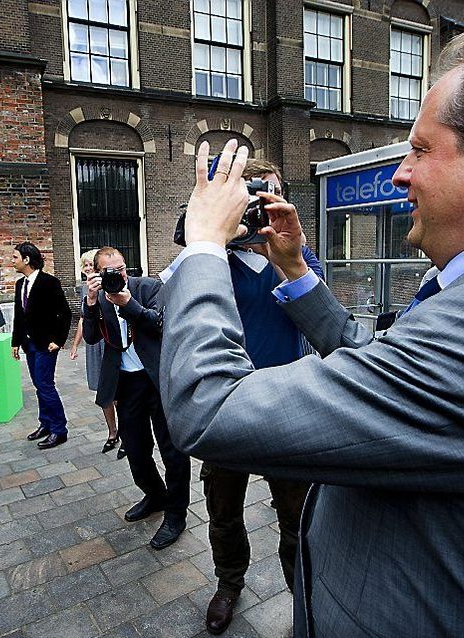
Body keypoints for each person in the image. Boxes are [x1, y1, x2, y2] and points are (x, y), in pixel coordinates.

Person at [159, 18, 464, 638]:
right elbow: (381, 362)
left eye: (422, 149)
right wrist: (295, 269)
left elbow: (208, 408)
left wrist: (204, 244)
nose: (401, 174)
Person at [173, 158, 325, 634]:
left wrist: (285, 257)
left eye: (270, 194)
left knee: (296, 517)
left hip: (286, 405)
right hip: (228, 407)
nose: (261, 205)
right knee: (223, 508)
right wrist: (216, 235)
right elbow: (186, 240)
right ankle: (229, 582)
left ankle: (301, 592)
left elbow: (319, 315)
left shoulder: (295, 257)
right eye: (251, 194)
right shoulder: (209, 263)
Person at [82, 246, 191, 549]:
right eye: (110, 272)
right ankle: (155, 495)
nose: (118, 276)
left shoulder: (149, 287)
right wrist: (91, 302)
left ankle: (176, 513)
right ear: (97, 273)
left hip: (157, 379)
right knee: (135, 448)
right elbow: (91, 337)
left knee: (172, 450)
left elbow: (160, 324)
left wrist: (128, 304)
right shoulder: (98, 295)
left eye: (121, 269)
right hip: (127, 383)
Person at [10, 241, 72, 449]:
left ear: (27, 260)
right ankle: (45, 423)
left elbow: (64, 313)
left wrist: (58, 340)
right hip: (29, 345)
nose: (13, 261)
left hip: (46, 345)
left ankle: (59, 430)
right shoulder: (20, 284)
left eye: (15, 257)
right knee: (39, 386)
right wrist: (15, 342)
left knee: (45, 385)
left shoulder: (49, 282)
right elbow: (19, 316)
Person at [69, 250, 119, 455]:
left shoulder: (110, 284)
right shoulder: (85, 289)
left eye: (91, 265)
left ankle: (126, 432)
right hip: (94, 345)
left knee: (118, 392)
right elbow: (83, 318)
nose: (89, 269)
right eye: (85, 266)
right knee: (102, 390)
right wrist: (74, 345)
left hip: (110, 342)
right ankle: (112, 432)